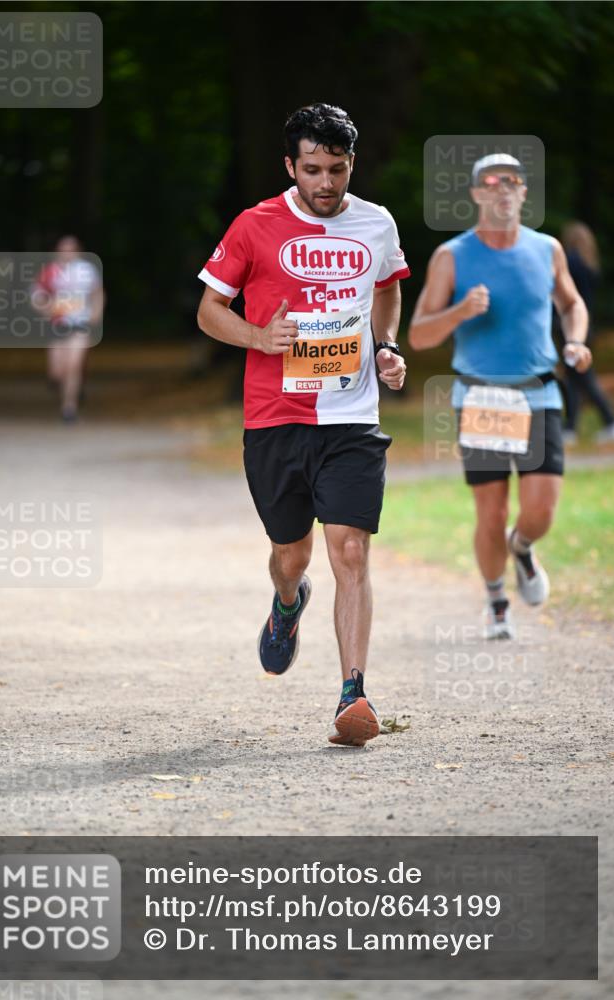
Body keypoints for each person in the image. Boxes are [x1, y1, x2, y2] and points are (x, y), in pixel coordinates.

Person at [197, 103, 409, 746]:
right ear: (290, 166)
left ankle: (354, 694)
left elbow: (388, 285)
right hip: (275, 421)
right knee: (291, 555)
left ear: (352, 166)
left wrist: (387, 345)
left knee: (351, 548)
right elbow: (210, 310)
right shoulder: (255, 224)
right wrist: (261, 337)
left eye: (337, 170)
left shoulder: (375, 223)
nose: (325, 183)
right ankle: (288, 603)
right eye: (312, 169)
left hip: (352, 417)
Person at [408, 154, 591, 639]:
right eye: (492, 182)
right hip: (483, 399)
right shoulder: (452, 256)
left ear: (524, 193)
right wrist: (460, 311)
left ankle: (524, 548)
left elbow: (571, 303)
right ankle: (496, 600)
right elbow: (420, 335)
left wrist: (574, 339)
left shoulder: (547, 249)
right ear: (475, 194)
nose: (503, 189)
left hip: (539, 393)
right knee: (490, 511)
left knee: (541, 510)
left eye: (513, 181)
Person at [31, 235, 104, 422]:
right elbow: (37, 296)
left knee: (74, 366)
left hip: (80, 324)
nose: (67, 253)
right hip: (58, 324)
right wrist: (45, 309)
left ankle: (69, 408)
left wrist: (96, 313)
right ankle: (69, 390)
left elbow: (98, 293)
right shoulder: (50, 271)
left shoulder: (88, 270)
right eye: (64, 249)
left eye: (71, 249)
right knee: (57, 372)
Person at [559, 221, 614, 445]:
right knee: (573, 378)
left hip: (573, 327)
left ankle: (611, 422)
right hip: (587, 326)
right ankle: (570, 428)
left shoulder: (570, 262)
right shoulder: (590, 263)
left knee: (583, 377)